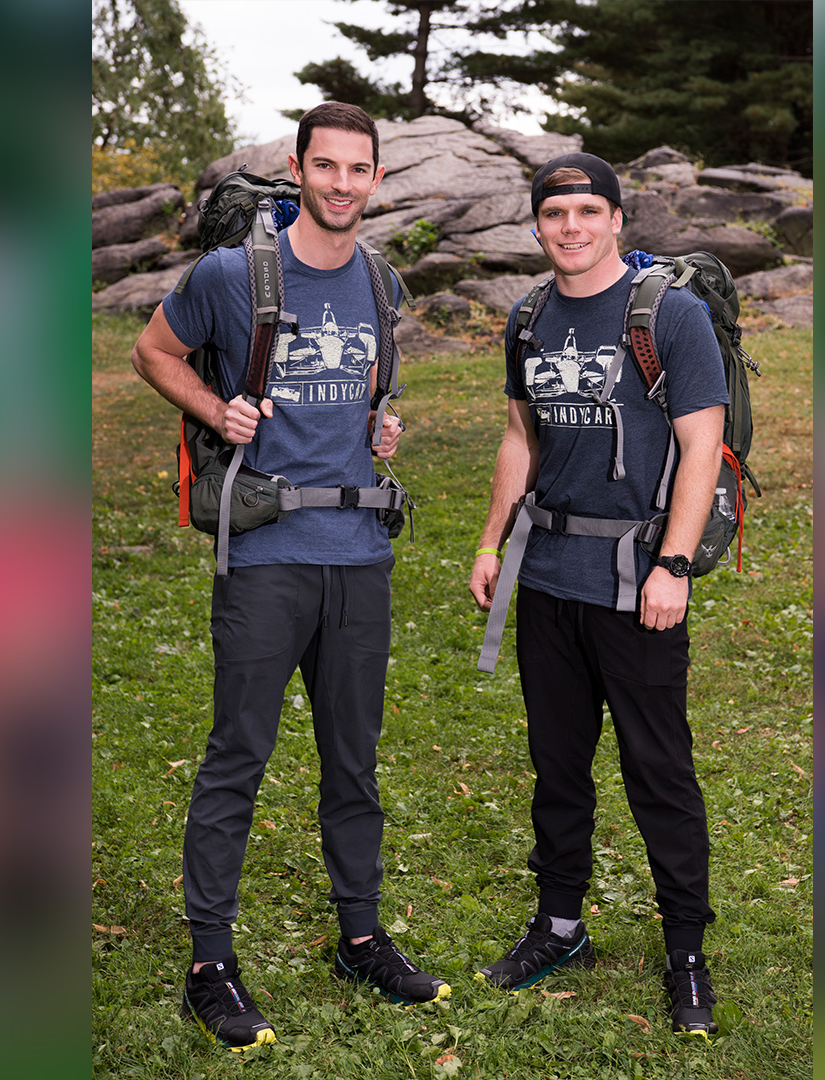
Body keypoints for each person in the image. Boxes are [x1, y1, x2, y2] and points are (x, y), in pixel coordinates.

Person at [132, 102, 447, 1052]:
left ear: (377, 179)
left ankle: (361, 937)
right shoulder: (233, 275)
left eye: (359, 168)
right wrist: (214, 407)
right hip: (266, 555)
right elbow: (153, 350)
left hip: (360, 556)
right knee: (239, 755)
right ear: (299, 169)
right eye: (326, 165)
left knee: (354, 761)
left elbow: (370, 391)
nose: (342, 183)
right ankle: (210, 964)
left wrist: (382, 424)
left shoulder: (382, 280)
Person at [468, 153, 727, 1037]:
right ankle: (560, 926)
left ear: (617, 219)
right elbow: (520, 437)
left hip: (637, 580)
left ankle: (685, 949)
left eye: (587, 211)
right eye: (554, 214)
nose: (570, 227)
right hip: (547, 578)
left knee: (659, 771)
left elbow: (701, 446)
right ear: (537, 226)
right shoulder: (528, 317)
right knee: (558, 766)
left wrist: (674, 565)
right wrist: (491, 541)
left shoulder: (670, 314)